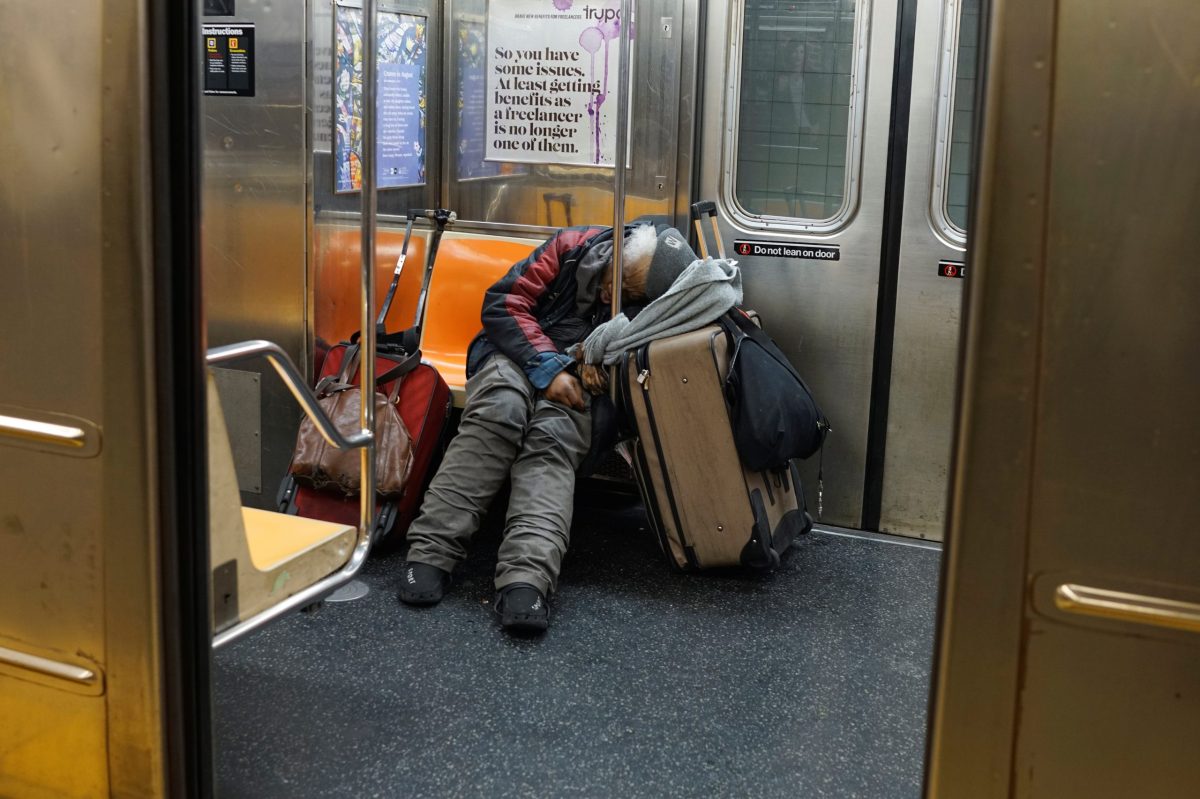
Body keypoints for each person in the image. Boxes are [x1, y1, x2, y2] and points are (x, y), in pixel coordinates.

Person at [398, 222, 699, 633]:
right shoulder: (572, 246)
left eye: (628, 295)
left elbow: (639, 358)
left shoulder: (661, 302)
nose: (612, 295)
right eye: (616, 281)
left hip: (582, 374)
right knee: (499, 411)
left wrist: (590, 364)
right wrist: (548, 368)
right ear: (616, 254)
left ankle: (528, 577)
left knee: (552, 437)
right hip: (516, 351)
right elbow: (504, 303)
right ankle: (430, 553)